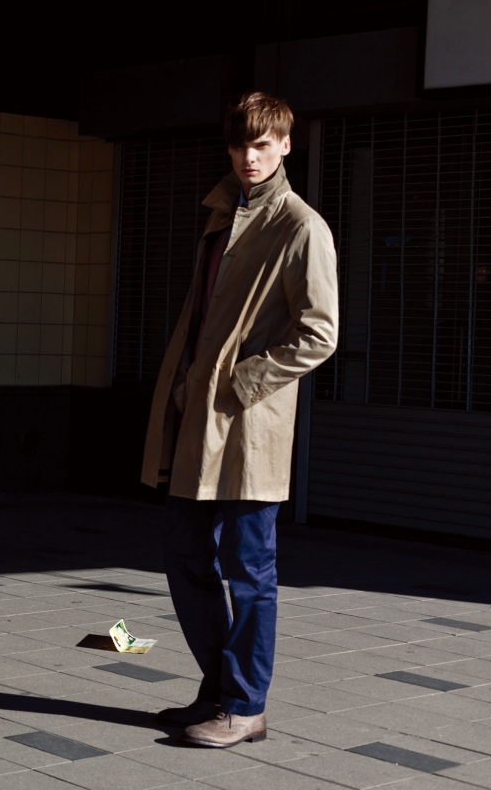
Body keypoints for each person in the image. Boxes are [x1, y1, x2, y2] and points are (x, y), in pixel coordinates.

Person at [140, 92, 339, 747]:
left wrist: (243, 380)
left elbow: (320, 333)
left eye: (262, 144)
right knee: (183, 554)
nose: (250, 157)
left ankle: (247, 705)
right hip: (197, 416)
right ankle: (218, 689)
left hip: (249, 424)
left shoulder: (301, 226)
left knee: (249, 569)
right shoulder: (221, 214)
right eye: (240, 145)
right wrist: (182, 387)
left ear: (285, 145)